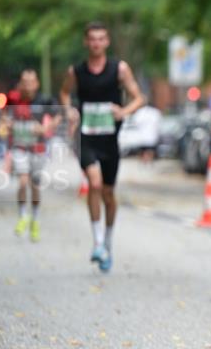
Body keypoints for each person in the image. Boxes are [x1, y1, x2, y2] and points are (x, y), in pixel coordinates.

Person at [60, 21, 145, 272]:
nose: (96, 43)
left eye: (101, 38)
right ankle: (97, 242)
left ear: (107, 42)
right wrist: (69, 111)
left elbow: (139, 97)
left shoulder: (119, 69)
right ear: (86, 42)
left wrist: (123, 111)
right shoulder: (76, 71)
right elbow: (64, 94)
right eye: (92, 39)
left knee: (108, 193)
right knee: (94, 184)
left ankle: (107, 240)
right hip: (86, 137)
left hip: (110, 140)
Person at [10, 69, 59, 241]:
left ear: (37, 84)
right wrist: (7, 124)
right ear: (20, 84)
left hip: (38, 148)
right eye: (25, 82)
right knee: (23, 181)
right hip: (20, 148)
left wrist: (46, 128)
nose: (28, 85)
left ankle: (35, 219)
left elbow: (58, 115)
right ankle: (23, 215)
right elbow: (1, 117)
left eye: (31, 82)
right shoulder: (13, 99)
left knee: (35, 186)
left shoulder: (44, 100)